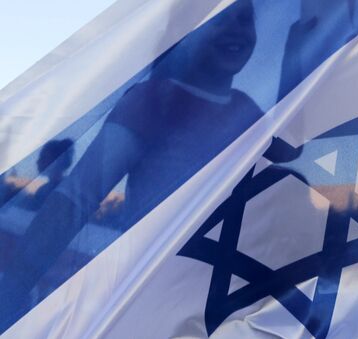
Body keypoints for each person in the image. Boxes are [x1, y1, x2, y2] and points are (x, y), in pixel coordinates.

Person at [0, 0, 261, 330]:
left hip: (233, 298)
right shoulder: (155, 100)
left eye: (245, 19)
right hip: (158, 295)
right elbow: (76, 199)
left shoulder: (252, 110)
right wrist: (15, 284)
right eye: (221, 19)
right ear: (183, 30)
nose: (236, 29)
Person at [26, 139, 74, 210]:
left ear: (57, 162)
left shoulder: (66, 191)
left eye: (43, 157)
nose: (38, 161)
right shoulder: (43, 189)